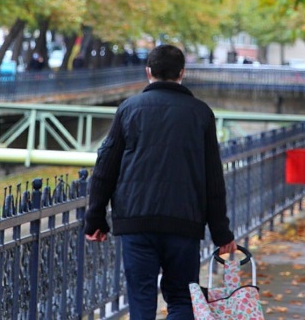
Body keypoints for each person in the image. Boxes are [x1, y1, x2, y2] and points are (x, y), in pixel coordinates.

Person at [84, 44, 237, 319]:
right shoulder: (201, 113)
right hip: (184, 223)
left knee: (141, 299)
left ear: (148, 72)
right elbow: (213, 177)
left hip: (136, 221)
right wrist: (221, 233)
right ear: (182, 73)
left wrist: (95, 219)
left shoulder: (129, 109)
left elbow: (106, 166)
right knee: (182, 299)